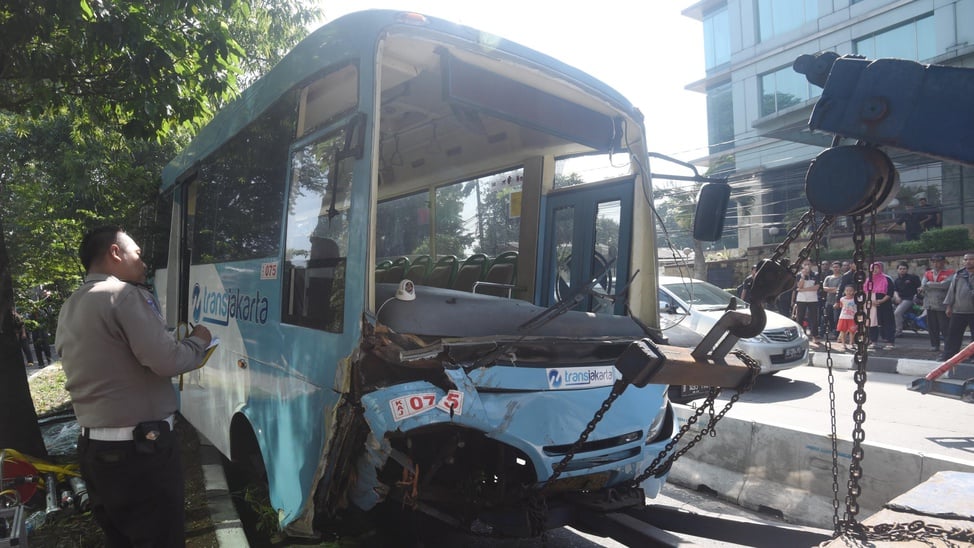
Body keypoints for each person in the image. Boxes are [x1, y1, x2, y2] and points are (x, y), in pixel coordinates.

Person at [56, 225, 212, 547]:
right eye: (137, 254)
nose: (143, 261)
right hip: (141, 453)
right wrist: (199, 342)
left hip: (95, 452)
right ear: (115, 253)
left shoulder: (71, 305)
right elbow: (166, 361)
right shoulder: (123, 295)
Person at [942, 252, 974, 362]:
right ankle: (949, 356)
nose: (968, 261)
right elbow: (951, 292)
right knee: (953, 335)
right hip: (958, 310)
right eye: (965, 259)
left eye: (971, 259)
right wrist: (948, 306)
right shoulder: (958, 275)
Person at [921, 254, 954, 354]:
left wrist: (930, 284)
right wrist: (935, 285)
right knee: (932, 326)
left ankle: (949, 346)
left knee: (945, 326)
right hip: (930, 303)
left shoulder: (950, 272)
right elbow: (923, 285)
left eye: (938, 261)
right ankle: (934, 345)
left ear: (944, 262)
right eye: (934, 262)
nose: (936, 264)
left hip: (942, 303)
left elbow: (945, 285)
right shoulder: (928, 273)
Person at [866, 262, 896, 349]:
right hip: (872, 304)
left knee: (887, 323)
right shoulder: (869, 280)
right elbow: (866, 291)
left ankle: (889, 342)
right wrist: (870, 301)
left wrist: (882, 300)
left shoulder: (886, 279)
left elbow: (890, 292)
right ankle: (873, 341)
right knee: (872, 322)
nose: (875, 270)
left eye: (877, 268)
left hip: (885, 304)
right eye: (873, 268)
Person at [793, 261, 821, 344]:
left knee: (813, 317)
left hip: (813, 299)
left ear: (811, 265)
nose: (807, 266)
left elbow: (816, 287)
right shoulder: (799, 275)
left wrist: (803, 290)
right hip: (801, 299)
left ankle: (814, 335)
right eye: (805, 264)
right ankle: (800, 334)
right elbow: (799, 286)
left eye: (808, 264)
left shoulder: (815, 274)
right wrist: (803, 276)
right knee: (800, 317)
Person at [891, 262, 921, 337]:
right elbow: (895, 290)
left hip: (910, 299)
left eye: (904, 269)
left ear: (907, 270)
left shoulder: (912, 278)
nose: (902, 270)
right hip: (899, 298)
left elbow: (919, 288)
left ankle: (898, 331)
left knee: (897, 313)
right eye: (900, 269)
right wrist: (897, 297)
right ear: (897, 270)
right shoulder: (896, 280)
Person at [822, 261, 843, 337]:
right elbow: (824, 288)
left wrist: (831, 289)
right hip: (828, 301)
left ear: (840, 268)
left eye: (837, 267)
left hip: (837, 301)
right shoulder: (828, 278)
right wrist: (834, 289)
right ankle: (832, 331)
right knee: (829, 317)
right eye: (834, 267)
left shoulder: (842, 277)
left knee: (836, 318)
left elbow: (839, 290)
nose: (835, 268)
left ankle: (837, 333)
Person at [835, 285, 858, 351]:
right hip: (843, 317)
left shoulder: (855, 299)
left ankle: (851, 343)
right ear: (844, 291)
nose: (849, 292)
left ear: (854, 291)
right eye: (847, 290)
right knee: (843, 331)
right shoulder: (842, 299)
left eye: (850, 291)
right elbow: (841, 306)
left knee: (852, 331)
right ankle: (843, 344)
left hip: (852, 317)